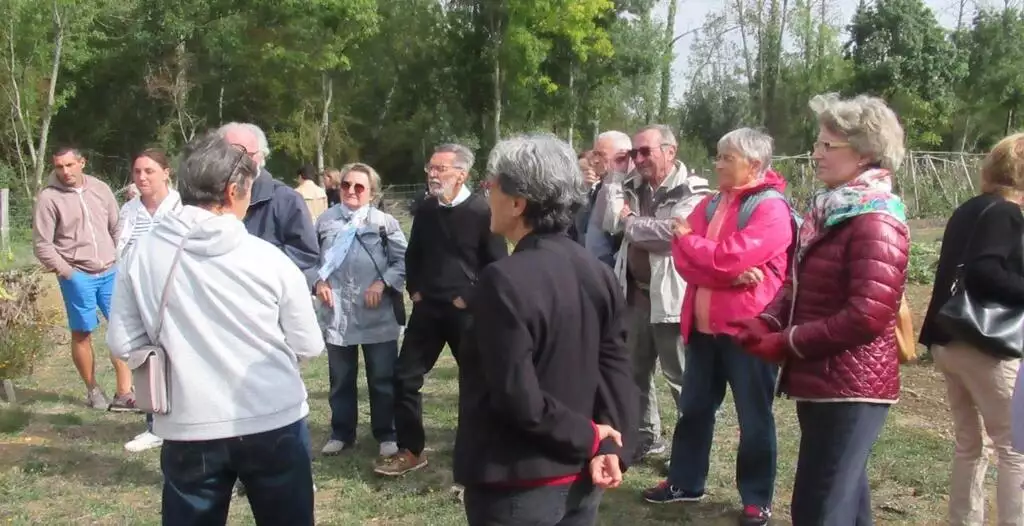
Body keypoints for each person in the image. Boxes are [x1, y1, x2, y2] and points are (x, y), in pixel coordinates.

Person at [106, 131, 324, 526]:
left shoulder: (141, 254)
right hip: (272, 417)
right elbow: (308, 343)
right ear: (233, 190)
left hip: (188, 422)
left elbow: (122, 341)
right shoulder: (267, 259)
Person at [732, 93, 909, 524]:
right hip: (826, 378)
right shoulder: (832, 211)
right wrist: (767, 319)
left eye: (828, 146)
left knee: (820, 505)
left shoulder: (876, 219)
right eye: (818, 144)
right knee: (844, 502)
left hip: (852, 384)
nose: (815, 154)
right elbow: (798, 281)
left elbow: (868, 314)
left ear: (865, 152)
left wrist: (788, 341)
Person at [454, 133, 638, 526]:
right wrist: (609, 442)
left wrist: (594, 438)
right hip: (582, 474)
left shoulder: (502, 280)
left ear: (518, 202)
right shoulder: (597, 272)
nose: (488, 196)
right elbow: (618, 372)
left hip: (519, 482)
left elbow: (518, 397)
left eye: (492, 186)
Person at [642, 128, 793, 526]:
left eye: (727, 157)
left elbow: (727, 256)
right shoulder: (710, 204)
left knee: (754, 418)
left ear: (754, 165)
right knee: (693, 410)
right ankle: (685, 482)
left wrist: (706, 258)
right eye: (719, 155)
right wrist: (724, 272)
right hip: (704, 330)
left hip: (748, 331)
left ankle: (756, 499)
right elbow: (685, 259)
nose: (718, 163)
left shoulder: (770, 209)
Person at [375, 143, 508, 476]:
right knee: (405, 377)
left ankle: (475, 453)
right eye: (430, 169)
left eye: (440, 169)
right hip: (427, 310)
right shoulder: (426, 209)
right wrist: (415, 289)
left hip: (466, 313)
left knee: (475, 382)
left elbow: (497, 265)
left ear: (461, 174)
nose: (433, 175)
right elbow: (413, 254)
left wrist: (471, 297)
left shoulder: (482, 212)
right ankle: (411, 450)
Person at [920, 132, 1024, 525]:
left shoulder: (970, 209)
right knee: (1016, 447)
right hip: (986, 344)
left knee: (970, 443)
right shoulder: (1006, 213)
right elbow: (986, 272)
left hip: (950, 338)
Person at [602, 124, 711, 461]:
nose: (638, 159)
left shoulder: (694, 190)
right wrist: (615, 176)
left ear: (670, 151)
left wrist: (630, 222)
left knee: (680, 378)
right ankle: (647, 438)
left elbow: (671, 237)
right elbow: (608, 220)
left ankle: (690, 454)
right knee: (635, 374)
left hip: (672, 299)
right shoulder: (630, 184)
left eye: (645, 151)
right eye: (633, 153)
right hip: (634, 295)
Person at [314, 163, 407, 459]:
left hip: (376, 314)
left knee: (382, 378)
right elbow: (309, 259)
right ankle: (342, 432)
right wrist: (318, 281)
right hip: (337, 315)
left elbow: (403, 261)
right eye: (345, 185)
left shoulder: (384, 223)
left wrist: (383, 283)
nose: (351, 191)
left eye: (359, 187)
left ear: (371, 192)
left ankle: (387, 433)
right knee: (340, 379)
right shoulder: (325, 221)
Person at [32, 146, 135, 411]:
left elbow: (117, 226)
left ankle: (124, 391)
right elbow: (43, 245)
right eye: (59, 166)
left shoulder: (100, 188)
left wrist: (118, 258)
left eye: (69, 165)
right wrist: (69, 273)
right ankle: (92, 389)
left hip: (111, 271)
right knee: (82, 333)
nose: (65, 171)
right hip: (78, 274)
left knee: (121, 329)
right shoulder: (49, 198)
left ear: (82, 163)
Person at [116, 148, 183, 453]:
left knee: (181, 360)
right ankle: (154, 425)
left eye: (149, 171)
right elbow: (121, 253)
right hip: (141, 296)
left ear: (166, 172)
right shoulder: (129, 211)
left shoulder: (182, 207)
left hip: (178, 294)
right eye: (138, 172)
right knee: (148, 361)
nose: (142, 177)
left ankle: (185, 422)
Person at [217, 122, 320, 286]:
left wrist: (252, 264)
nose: (234, 163)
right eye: (226, 154)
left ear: (261, 157)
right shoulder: (209, 196)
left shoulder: (286, 200)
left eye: (242, 155)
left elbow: (305, 254)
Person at [585, 131, 632, 267]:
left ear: (623, 157)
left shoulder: (631, 191)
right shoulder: (600, 186)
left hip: (610, 272)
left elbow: (614, 228)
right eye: (594, 154)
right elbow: (581, 227)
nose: (595, 160)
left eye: (600, 154)